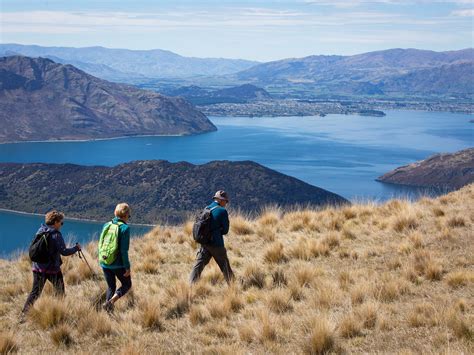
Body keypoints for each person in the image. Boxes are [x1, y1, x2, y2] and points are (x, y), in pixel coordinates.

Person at [22, 210, 81, 314]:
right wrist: (76, 248)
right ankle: (60, 311)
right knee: (60, 291)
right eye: (61, 223)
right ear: (56, 222)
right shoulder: (56, 235)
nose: (61, 225)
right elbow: (64, 252)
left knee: (35, 292)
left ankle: (24, 314)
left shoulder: (41, 229)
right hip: (52, 269)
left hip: (37, 267)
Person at [190, 190, 234, 284]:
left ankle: (191, 286)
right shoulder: (222, 211)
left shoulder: (207, 208)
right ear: (221, 200)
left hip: (204, 242)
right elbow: (225, 230)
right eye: (225, 201)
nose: (226, 203)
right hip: (216, 244)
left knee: (198, 265)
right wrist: (218, 231)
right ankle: (233, 286)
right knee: (225, 266)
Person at [100, 203, 132, 313]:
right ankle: (110, 302)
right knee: (127, 284)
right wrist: (127, 267)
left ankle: (108, 311)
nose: (128, 218)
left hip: (104, 261)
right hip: (117, 264)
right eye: (129, 216)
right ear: (126, 215)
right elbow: (124, 251)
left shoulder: (107, 225)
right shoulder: (124, 228)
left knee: (111, 287)